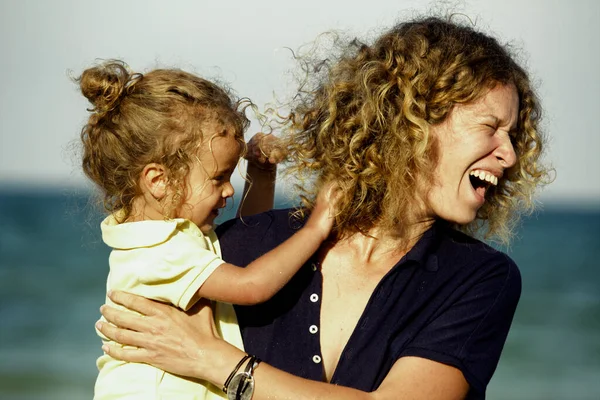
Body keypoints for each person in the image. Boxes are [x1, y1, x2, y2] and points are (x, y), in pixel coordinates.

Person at [95, 15, 551, 400]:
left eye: (513, 136)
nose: (508, 154)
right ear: (410, 123)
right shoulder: (238, 245)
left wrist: (222, 364)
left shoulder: (478, 278)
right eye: (491, 127)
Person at [77, 60, 336, 399]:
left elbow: (247, 243)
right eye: (218, 179)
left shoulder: (169, 233)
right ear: (159, 180)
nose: (229, 190)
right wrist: (316, 228)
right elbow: (251, 284)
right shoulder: (159, 251)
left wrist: (260, 175)